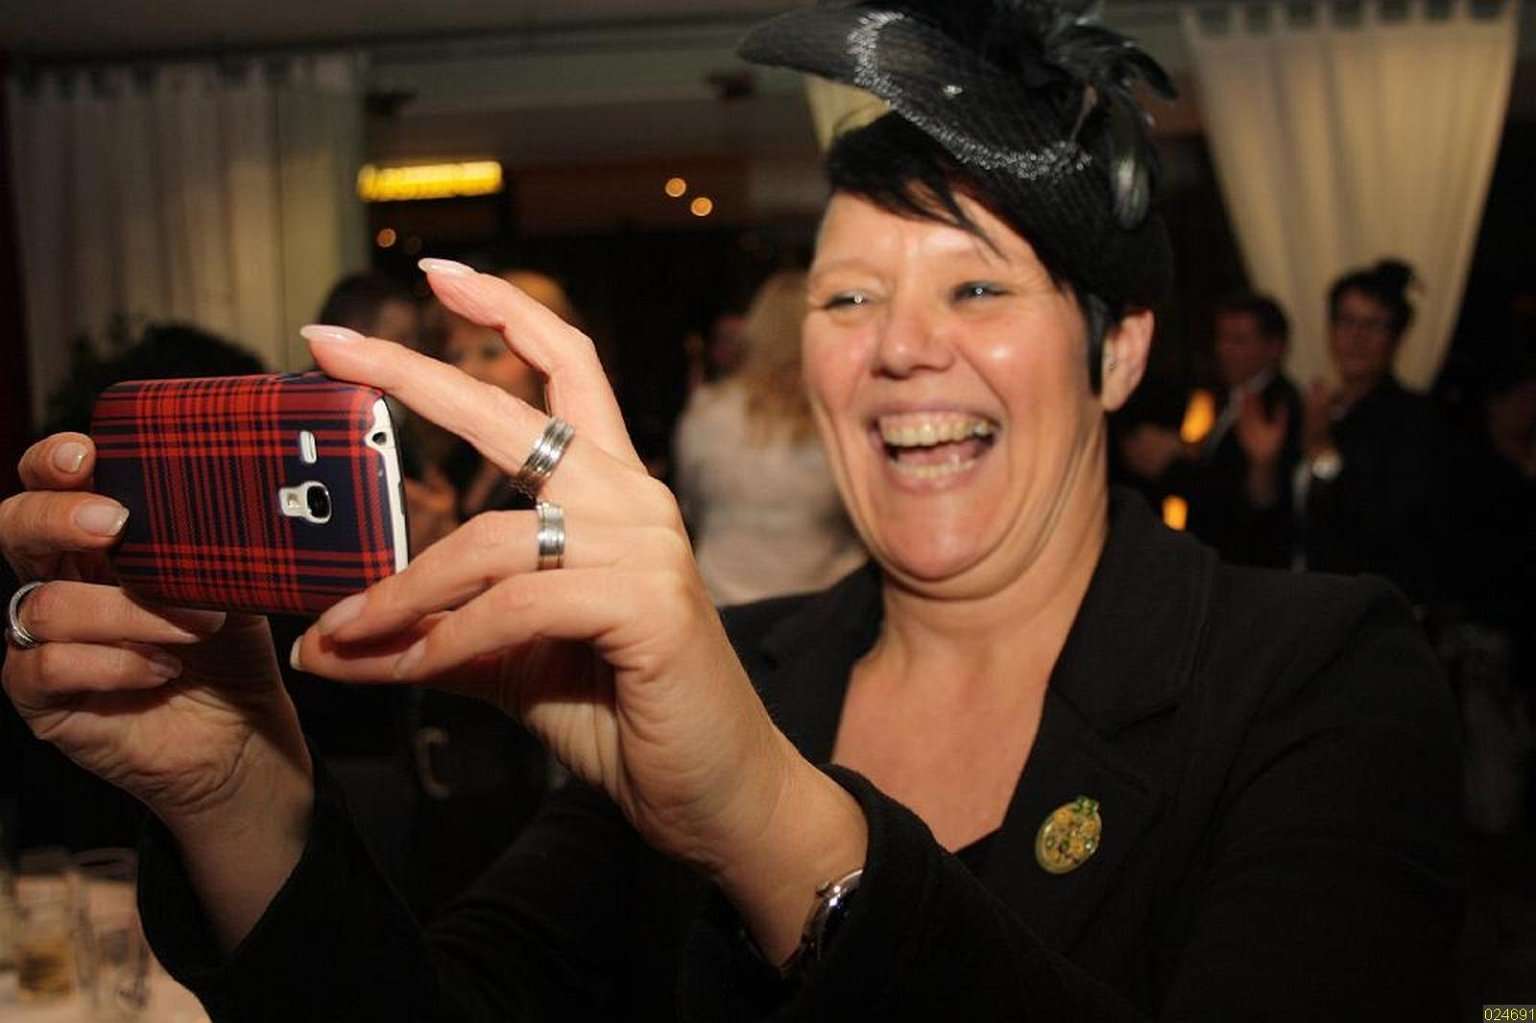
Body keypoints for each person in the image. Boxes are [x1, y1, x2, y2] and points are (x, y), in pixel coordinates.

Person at [1, 2, 1461, 1019]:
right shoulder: (741, 667)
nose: (901, 348)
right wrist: (238, 792)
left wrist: (767, 819)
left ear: (1120, 349)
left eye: (976, 284)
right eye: (848, 297)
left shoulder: (1314, 670)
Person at [673, 269, 866, 604]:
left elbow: (689, 504)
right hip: (825, 603)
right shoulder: (845, 416)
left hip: (724, 601)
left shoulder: (709, 412)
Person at [1297, 259, 1448, 608]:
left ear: (1396, 337)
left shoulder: (1413, 418)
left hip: (1369, 607)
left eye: (1374, 325)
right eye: (1347, 321)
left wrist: (1322, 452)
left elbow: (1386, 528)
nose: (1357, 337)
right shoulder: (1319, 407)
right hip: (1307, 601)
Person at [1120, 293, 1302, 566]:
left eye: (1239, 340)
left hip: (1247, 560)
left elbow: (1235, 498)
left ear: (1273, 347)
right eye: (1222, 338)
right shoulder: (1228, 396)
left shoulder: (1277, 406)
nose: (1225, 350)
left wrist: (1171, 465)